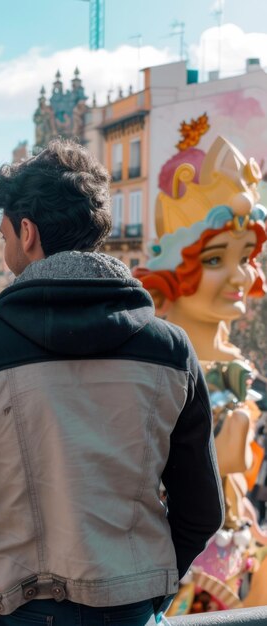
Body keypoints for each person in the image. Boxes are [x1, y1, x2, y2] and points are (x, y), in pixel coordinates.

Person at [0, 138, 225, 626]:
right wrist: (147, 590)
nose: (5, 245)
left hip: (17, 607)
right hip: (130, 607)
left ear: (28, 231)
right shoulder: (172, 350)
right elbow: (202, 507)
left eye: (4, 234)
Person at [134, 136, 267, 611]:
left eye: (246, 255)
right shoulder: (160, 369)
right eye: (215, 259)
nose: (241, 276)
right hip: (184, 561)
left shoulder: (234, 365)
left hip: (236, 546)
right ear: (176, 272)